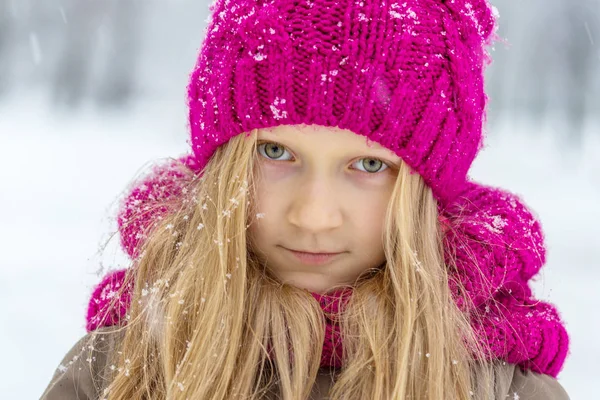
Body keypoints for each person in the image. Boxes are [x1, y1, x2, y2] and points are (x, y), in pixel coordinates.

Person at [40, 0, 571, 398]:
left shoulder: (498, 384)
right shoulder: (124, 365)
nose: (313, 215)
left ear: (426, 191)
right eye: (276, 152)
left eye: (369, 165)